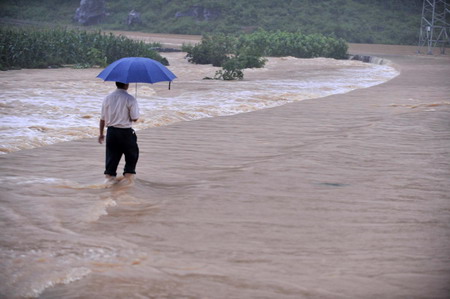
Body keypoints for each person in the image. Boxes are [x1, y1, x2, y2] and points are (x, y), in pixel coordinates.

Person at [98, 82, 140, 183]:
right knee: (132, 156)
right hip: (126, 133)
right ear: (127, 85)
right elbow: (134, 118)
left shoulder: (107, 98)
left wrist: (101, 134)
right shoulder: (130, 99)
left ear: (116, 84)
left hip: (111, 132)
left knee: (111, 158)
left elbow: (102, 119)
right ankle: (128, 180)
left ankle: (109, 181)